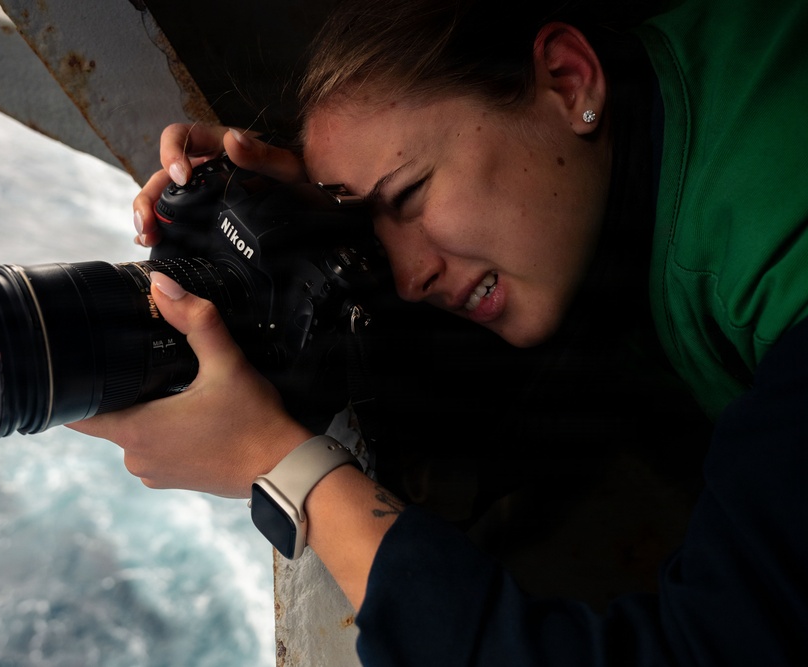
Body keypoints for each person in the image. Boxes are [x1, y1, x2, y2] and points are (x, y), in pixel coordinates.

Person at [70, 0, 808, 663]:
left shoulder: (790, 264)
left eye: (410, 194)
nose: (406, 278)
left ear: (568, 79)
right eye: (373, 227)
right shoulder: (705, 88)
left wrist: (285, 466)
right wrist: (304, 232)